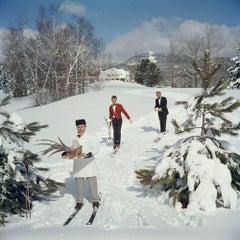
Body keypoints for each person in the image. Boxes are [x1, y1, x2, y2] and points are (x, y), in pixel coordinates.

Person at [62, 119, 100, 210]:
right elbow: (69, 148)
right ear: (76, 127)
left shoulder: (91, 137)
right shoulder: (72, 138)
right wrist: (65, 153)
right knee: (79, 184)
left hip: (88, 163)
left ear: (85, 126)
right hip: (78, 164)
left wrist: (91, 153)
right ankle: (79, 201)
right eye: (79, 127)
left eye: (82, 126)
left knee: (92, 183)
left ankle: (95, 200)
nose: (80, 129)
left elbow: (97, 148)